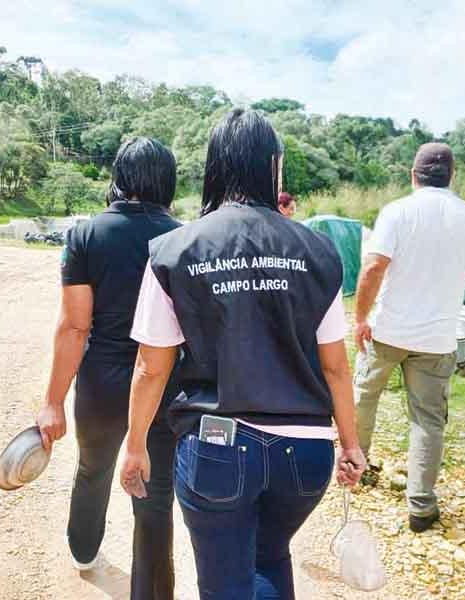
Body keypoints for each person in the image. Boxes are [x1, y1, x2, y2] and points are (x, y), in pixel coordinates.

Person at [119, 108, 366, 600]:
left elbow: (151, 367)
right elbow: (335, 364)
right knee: (271, 557)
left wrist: (136, 443)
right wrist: (351, 444)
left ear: (215, 165)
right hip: (306, 453)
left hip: (219, 449)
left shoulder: (174, 249)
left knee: (224, 581)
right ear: (273, 167)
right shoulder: (318, 251)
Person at [36, 138, 181, 600]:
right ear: (167, 180)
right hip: (161, 380)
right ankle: (155, 591)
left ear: (118, 175)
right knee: (155, 489)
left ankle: (83, 551)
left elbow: (75, 328)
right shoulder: (182, 237)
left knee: (93, 468)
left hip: (101, 378)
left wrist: (53, 401)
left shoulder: (86, 235)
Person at [353, 143, 465, 532]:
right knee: (428, 421)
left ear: (413, 174)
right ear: (453, 175)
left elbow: (373, 268)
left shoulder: (397, 212)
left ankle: (356, 468)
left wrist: (359, 318)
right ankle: (421, 506)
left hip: (388, 330)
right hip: (438, 339)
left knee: (364, 398)